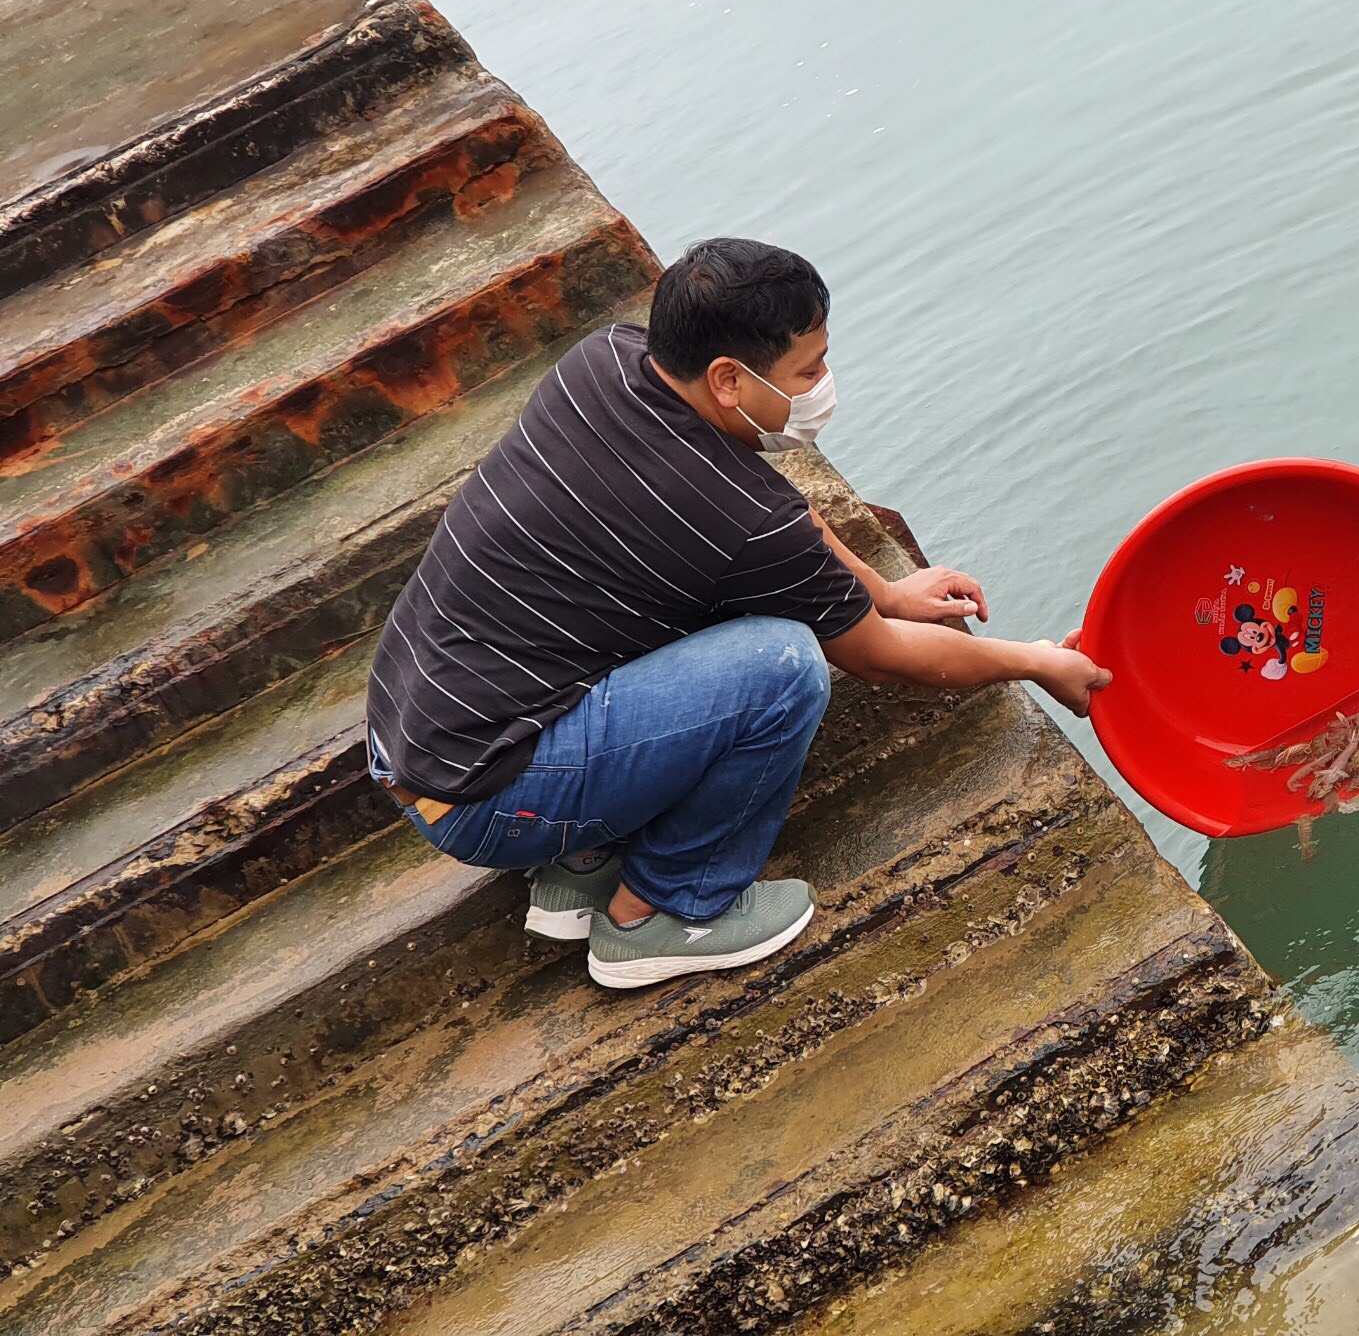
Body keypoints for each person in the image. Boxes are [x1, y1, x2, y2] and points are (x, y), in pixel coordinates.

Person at [364, 238, 1111, 989]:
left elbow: (770, 506)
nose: (823, 386)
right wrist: (1036, 661)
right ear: (728, 378)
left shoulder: (607, 361)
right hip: (486, 796)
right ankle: (661, 912)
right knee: (783, 666)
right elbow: (880, 655)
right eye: (808, 371)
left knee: (668, 586)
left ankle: (582, 864)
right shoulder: (743, 524)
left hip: (412, 726)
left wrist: (884, 592)